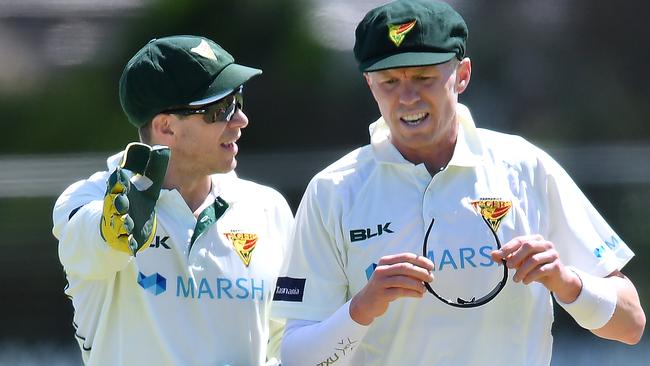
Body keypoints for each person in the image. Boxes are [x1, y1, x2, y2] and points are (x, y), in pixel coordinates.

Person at [272, 1, 646, 365]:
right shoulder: (333, 190)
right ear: (369, 84)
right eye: (389, 81)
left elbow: (631, 323)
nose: (407, 97)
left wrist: (567, 282)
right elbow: (296, 358)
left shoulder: (524, 167)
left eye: (424, 77)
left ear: (462, 75)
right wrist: (361, 308)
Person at [52, 35, 293, 366]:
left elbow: (286, 338)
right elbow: (88, 239)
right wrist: (113, 232)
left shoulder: (269, 208)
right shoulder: (90, 198)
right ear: (165, 127)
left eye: (238, 100)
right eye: (221, 109)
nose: (240, 121)